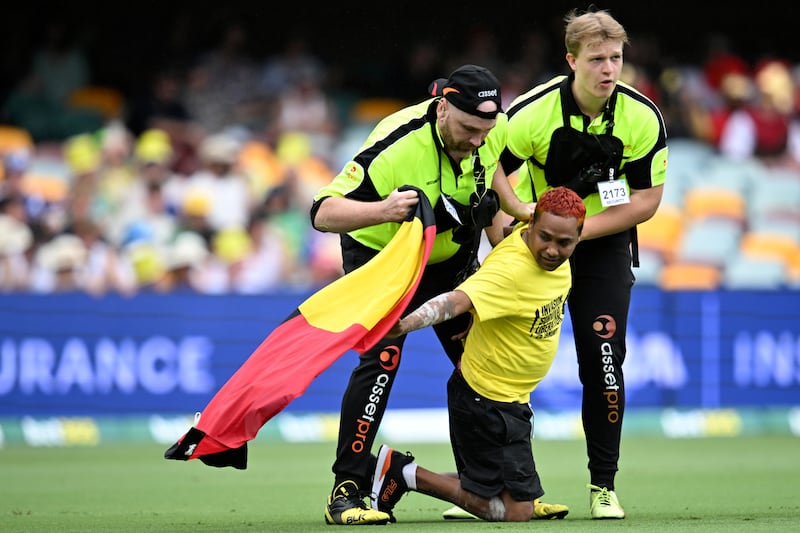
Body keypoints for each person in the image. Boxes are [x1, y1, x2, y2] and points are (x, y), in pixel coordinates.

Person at [310, 64, 536, 526]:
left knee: (487, 364)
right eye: (470, 128)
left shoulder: (492, 130)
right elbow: (322, 212)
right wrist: (384, 209)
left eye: (486, 129)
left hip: (450, 262)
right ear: (442, 108)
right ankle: (347, 491)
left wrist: (511, 207)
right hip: (387, 263)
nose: (479, 138)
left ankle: (501, 486)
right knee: (381, 363)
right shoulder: (397, 144)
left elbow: (490, 166)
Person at [493, 8, 669, 519]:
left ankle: (603, 486)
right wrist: (525, 220)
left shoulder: (641, 116)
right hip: (534, 243)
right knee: (502, 368)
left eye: (615, 57)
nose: (608, 69)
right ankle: (491, 484)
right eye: (596, 59)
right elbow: (493, 174)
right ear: (571, 60)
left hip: (602, 242)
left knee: (605, 363)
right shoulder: (530, 112)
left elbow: (646, 199)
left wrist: (575, 233)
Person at [370, 186, 585, 522]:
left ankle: (419, 477)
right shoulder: (512, 269)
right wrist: (405, 324)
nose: (553, 250)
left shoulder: (531, 245)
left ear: (578, 236)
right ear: (531, 224)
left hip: (511, 400)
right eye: (545, 237)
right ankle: (402, 473)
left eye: (564, 242)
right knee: (515, 511)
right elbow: (457, 300)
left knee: (502, 490)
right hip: (485, 401)